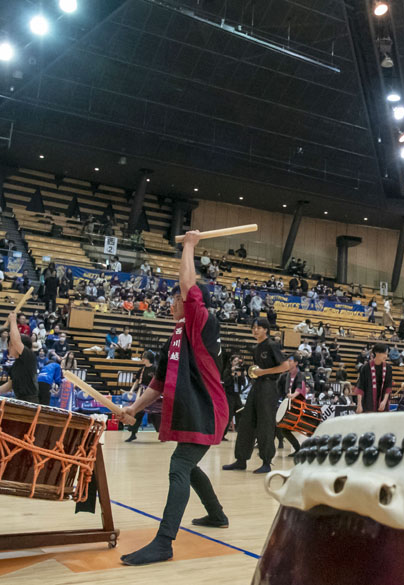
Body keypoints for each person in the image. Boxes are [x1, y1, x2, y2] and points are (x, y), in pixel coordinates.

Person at [120, 230, 229, 566]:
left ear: (188, 301)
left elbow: (187, 283)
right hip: (193, 409)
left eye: (174, 299)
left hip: (208, 410)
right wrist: (133, 409)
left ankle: (164, 541)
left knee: (179, 466)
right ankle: (216, 514)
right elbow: (158, 381)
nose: (170, 303)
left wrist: (189, 246)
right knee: (188, 464)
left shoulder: (201, 322)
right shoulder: (177, 334)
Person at [224, 317, 293, 474]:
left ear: (266, 330)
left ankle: (266, 461)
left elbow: (285, 366)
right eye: (253, 327)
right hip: (257, 386)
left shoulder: (272, 345)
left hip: (269, 387)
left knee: (265, 423)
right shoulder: (257, 347)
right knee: (246, 421)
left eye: (258, 327)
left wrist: (263, 372)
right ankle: (241, 459)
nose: (255, 330)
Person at [0, 311, 39, 403]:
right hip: (19, 400)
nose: (8, 347)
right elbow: (10, 385)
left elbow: (16, 341)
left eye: (10, 345)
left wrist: (13, 320)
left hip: (30, 402)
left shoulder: (29, 356)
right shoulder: (15, 365)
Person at [125, 350, 163, 442]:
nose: (142, 359)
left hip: (153, 395)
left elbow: (159, 382)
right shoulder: (141, 370)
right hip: (142, 393)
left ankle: (162, 434)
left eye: (144, 358)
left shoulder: (156, 369)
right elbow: (137, 382)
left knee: (156, 415)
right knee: (138, 412)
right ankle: (133, 433)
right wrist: (131, 390)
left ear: (148, 359)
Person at [354, 343, 395, 413]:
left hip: (382, 404)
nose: (386, 356)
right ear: (377, 353)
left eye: (387, 354)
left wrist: (384, 402)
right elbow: (360, 387)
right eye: (384, 354)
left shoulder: (388, 368)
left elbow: (388, 386)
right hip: (368, 403)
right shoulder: (365, 368)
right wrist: (359, 405)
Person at [276, 361, 306, 452]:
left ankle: (298, 449)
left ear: (296, 363)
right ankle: (297, 449)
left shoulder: (300, 375)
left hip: (296, 405)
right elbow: (278, 390)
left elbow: (299, 387)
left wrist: (294, 394)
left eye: (290, 361)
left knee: (283, 429)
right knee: (282, 428)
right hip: (286, 404)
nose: (288, 363)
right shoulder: (284, 376)